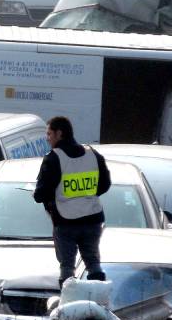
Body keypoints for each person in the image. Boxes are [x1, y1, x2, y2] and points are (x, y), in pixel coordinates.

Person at [32, 116, 112, 285]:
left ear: (59, 134)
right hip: (93, 219)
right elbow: (105, 184)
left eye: (49, 133)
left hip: (66, 221)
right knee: (93, 262)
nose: (47, 138)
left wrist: (51, 199)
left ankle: (69, 303)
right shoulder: (93, 154)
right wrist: (86, 196)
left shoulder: (54, 158)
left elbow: (40, 194)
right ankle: (96, 299)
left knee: (67, 267)